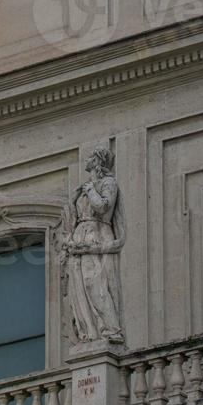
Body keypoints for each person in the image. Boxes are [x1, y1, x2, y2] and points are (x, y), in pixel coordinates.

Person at [63, 147, 126, 345]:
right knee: (79, 288)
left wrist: (90, 190)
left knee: (95, 285)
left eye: (91, 156)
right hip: (80, 237)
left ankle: (111, 329)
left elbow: (103, 207)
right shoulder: (85, 186)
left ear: (98, 161)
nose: (87, 159)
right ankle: (89, 332)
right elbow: (74, 217)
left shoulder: (108, 183)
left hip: (97, 235)